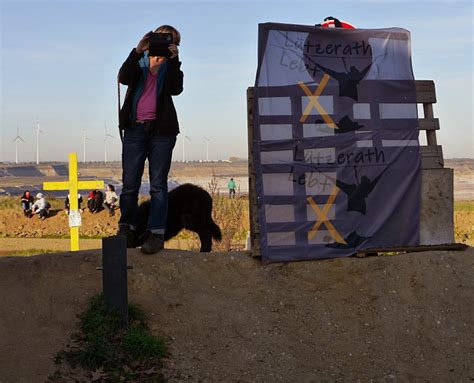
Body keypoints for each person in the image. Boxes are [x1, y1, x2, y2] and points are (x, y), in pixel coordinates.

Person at [116, 25, 183, 254]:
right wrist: (137, 51)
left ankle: (156, 233)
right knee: (130, 185)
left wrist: (173, 61)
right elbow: (123, 78)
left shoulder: (172, 66)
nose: (164, 44)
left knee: (158, 186)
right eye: (160, 39)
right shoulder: (139, 63)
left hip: (162, 132)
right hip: (135, 129)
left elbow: (176, 89)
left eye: (171, 41)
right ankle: (126, 229)